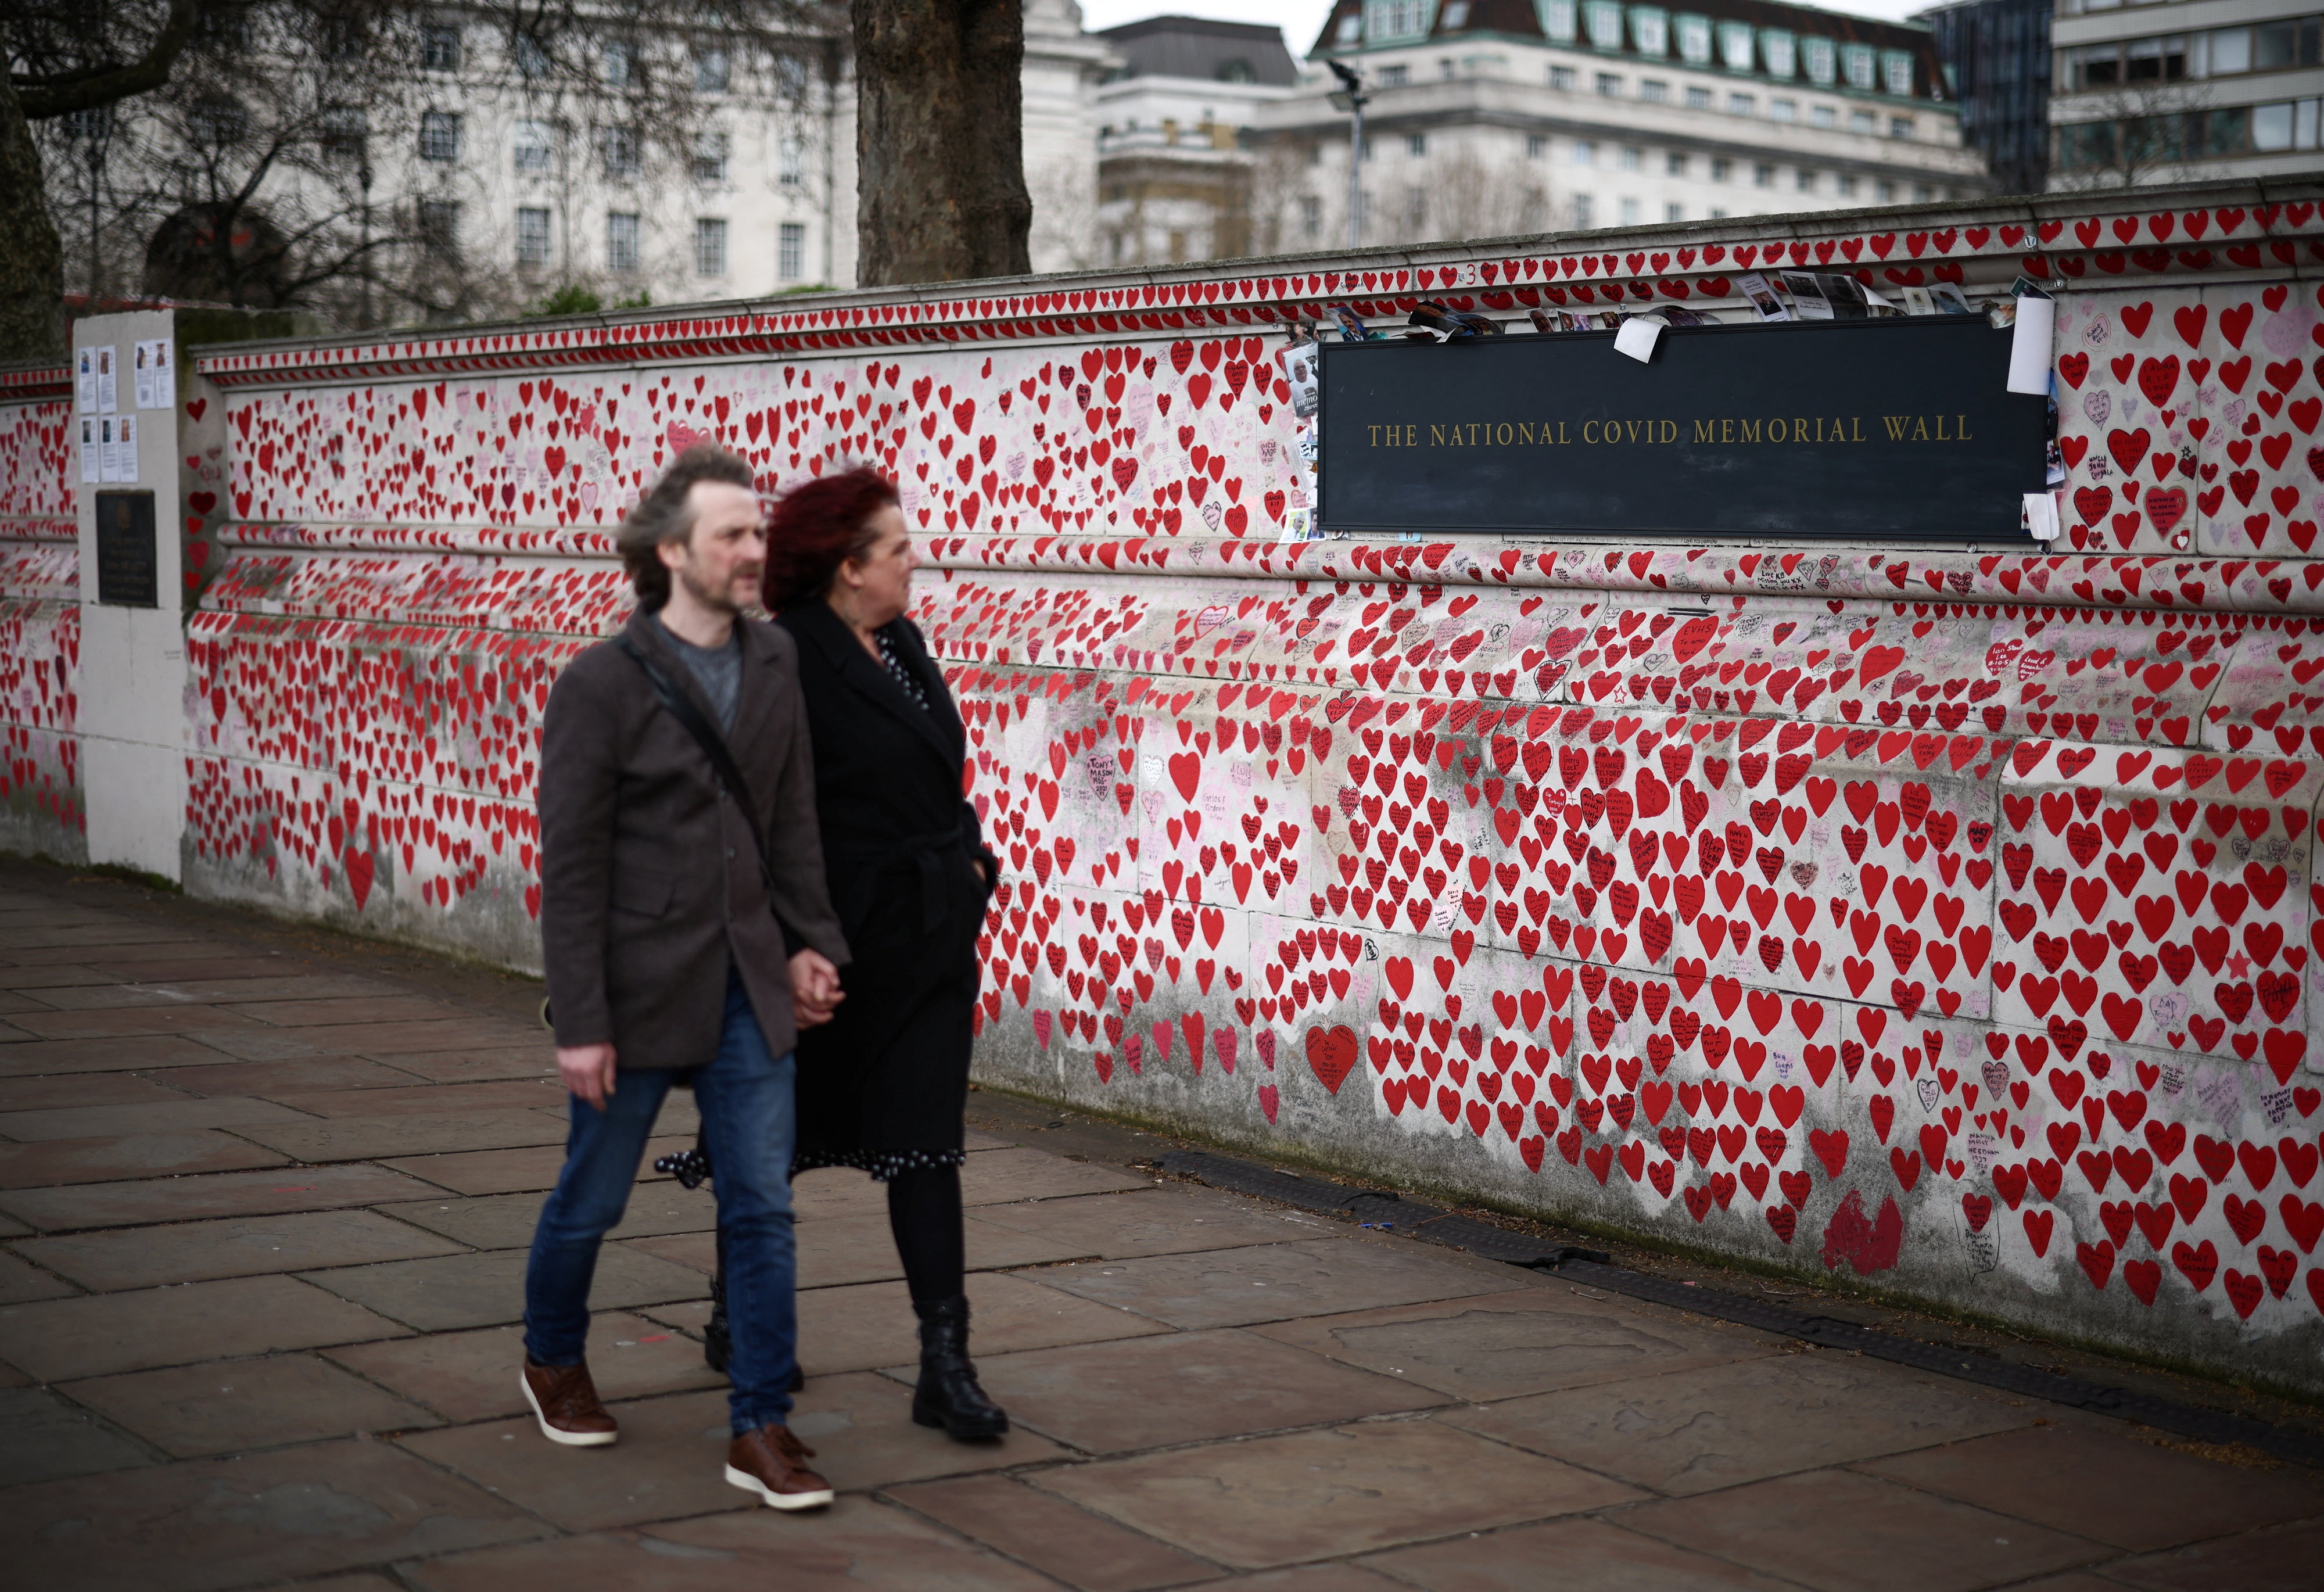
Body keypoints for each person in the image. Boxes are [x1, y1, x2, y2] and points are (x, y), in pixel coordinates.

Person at [528, 443, 852, 1510]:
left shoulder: (775, 665)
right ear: (673, 553)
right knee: (595, 1200)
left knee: (760, 1207)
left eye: (759, 532)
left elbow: (790, 818)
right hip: (630, 991)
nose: (756, 549)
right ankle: (553, 1356)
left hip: (747, 986)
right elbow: (571, 868)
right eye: (733, 534)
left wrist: (813, 944)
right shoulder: (600, 683)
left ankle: (759, 1425)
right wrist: (580, 1020)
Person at [766, 464, 1009, 1441]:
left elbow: (931, 773)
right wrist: (791, 946)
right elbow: (763, 813)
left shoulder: (901, 642)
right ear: (847, 566)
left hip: (927, 937)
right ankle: (741, 1319)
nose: (917, 560)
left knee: (926, 1146)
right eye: (898, 548)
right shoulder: (784, 658)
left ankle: (944, 1365)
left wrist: (974, 861)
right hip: (831, 946)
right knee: (770, 1144)